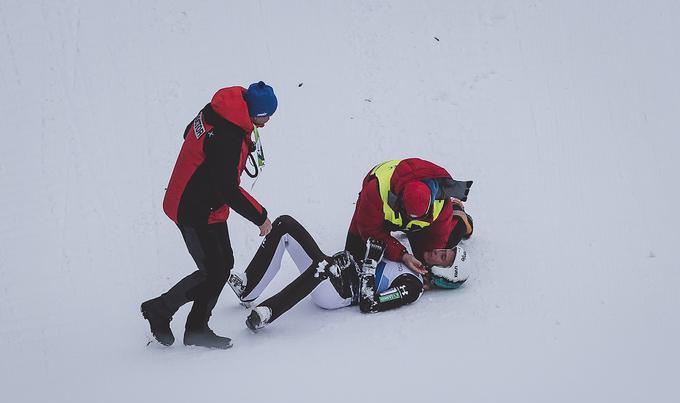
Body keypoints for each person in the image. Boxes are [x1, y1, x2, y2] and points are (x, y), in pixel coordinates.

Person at [141, 81, 278, 349]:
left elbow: (188, 133)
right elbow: (228, 188)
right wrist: (261, 216)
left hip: (208, 205)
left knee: (222, 264)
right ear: (255, 112)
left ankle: (194, 327)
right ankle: (163, 311)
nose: (269, 120)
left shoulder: (223, 110)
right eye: (266, 116)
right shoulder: (228, 134)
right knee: (213, 270)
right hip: (191, 208)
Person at [227, 215, 471, 330]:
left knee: (321, 269)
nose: (439, 250)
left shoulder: (412, 286)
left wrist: (370, 264)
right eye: (444, 250)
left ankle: (269, 311)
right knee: (284, 225)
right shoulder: (413, 258)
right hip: (335, 267)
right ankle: (248, 289)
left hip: (338, 292)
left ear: (442, 274)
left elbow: (371, 304)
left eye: (444, 257)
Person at [345, 158, 474, 276]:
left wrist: (429, 269)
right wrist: (402, 255)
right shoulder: (375, 191)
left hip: (425, 220)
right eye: (410, 217)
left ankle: (459, 215)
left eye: (419, 218)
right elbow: (368, 230)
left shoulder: (441, 205)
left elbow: (436, 244)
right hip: (379, 211)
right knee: (352, 261)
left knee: (437, 254)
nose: (413, 222)